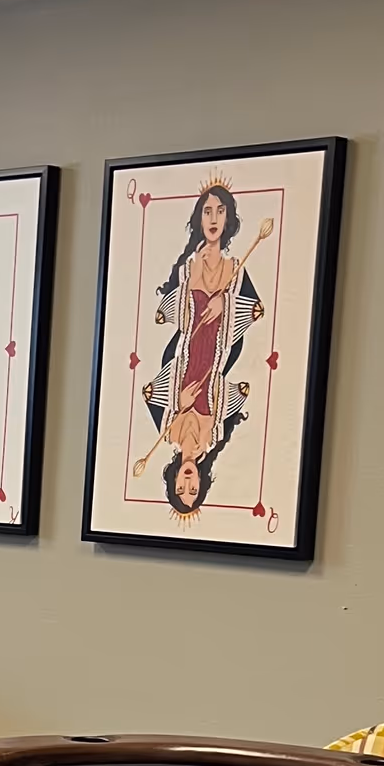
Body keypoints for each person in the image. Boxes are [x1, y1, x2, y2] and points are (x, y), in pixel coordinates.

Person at [136, 178, 271, 522]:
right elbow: (227, 394)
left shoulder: (168, 434)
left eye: (219, 211)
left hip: (201, 348)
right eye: (193, 491)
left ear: (227, 220)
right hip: (204, 348)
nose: (187, 484)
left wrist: (225, 303)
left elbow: (152, 392)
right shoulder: (214, 435)